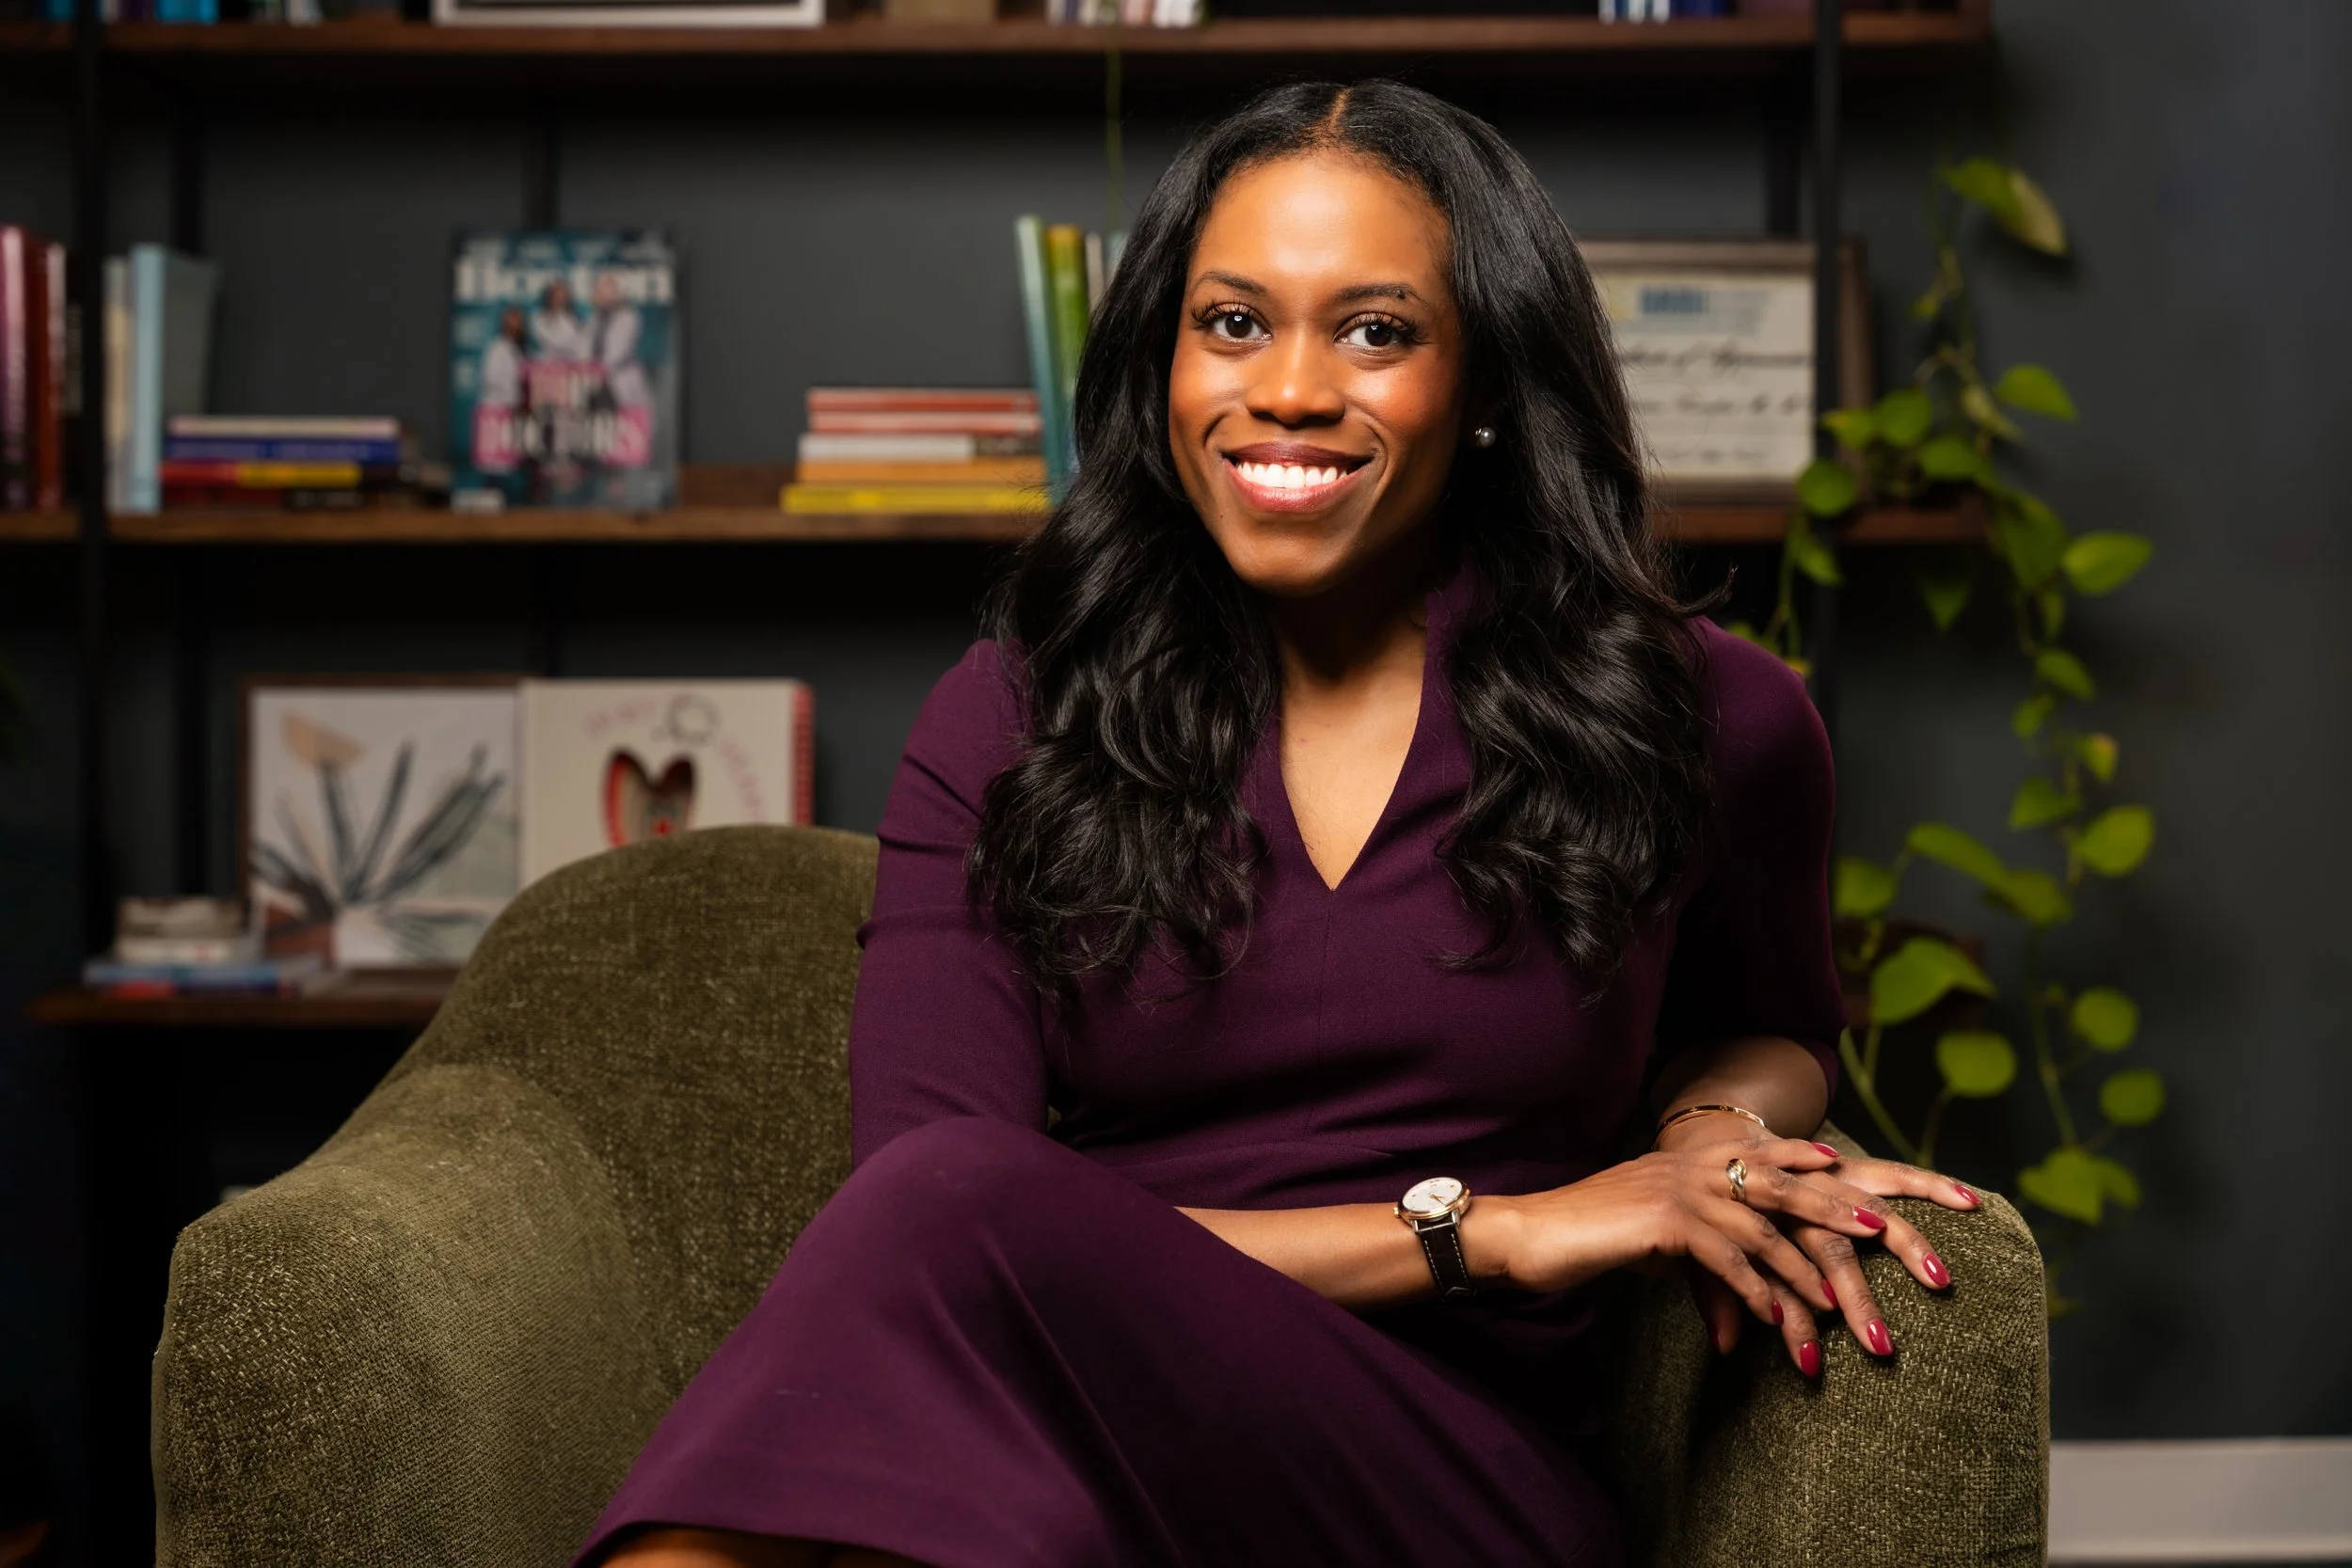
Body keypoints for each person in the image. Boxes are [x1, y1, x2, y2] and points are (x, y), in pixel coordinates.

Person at [577, 79, 1982, 1568]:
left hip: (1446, 1474)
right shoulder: (1015, 713)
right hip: (1074, 1440)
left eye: (1376, 330)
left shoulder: (1709, 715)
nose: (1291, 390)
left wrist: (1711, 1128)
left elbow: (1770, 1028)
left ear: (1492, 384)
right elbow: (927, 1212)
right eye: (1233, 323)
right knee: (937, 1253)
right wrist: (1496, 1228)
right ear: (1160, 363)